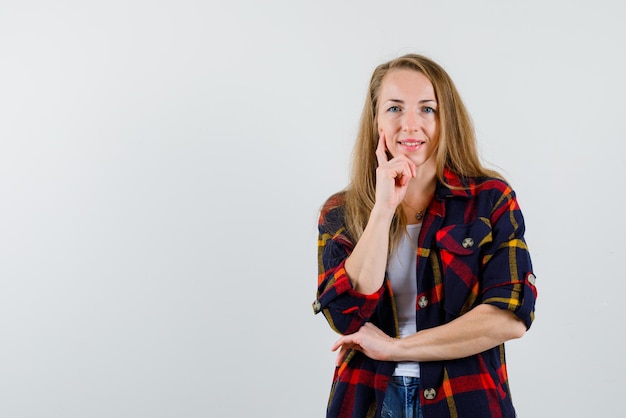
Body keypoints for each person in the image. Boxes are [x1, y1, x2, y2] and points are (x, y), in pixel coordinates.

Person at [312, 53, 537, 418]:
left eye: (427, 109)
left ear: (446, 118)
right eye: (395, 108)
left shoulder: (491, 199)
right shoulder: (340, 212)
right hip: (369, 400)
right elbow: (345, 315)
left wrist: (397, 348)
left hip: (465, 401)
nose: (410, 125)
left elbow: (509, 317)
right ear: (375, 121)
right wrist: (383, 209)